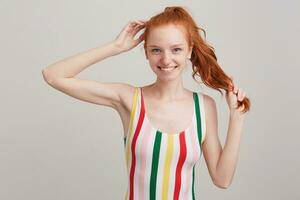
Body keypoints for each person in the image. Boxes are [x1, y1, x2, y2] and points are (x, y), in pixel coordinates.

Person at [42, 6, 250, 200]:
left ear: (189, 50)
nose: (166, 60)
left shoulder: (204, 106)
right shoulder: (129, 99)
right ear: (146, 52)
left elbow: (222, 179)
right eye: (156, 50)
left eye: (176, 49)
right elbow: (53, 75)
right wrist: (115, 47)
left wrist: (237, 119)